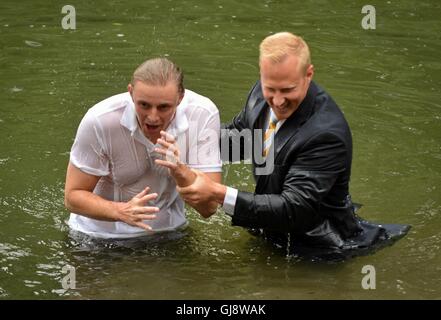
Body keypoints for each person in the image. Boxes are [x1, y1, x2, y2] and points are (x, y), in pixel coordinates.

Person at [169, 32, 410, 257]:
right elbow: (240, 142)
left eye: (287, 90)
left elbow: (294, 207)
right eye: (270, 88)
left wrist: (218, 193)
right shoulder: (259, 96)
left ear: (309, 74)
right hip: (270, 233)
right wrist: (179, 142)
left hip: (317, 251)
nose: (278, 101)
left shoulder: (326, 135)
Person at [64, 57, 222, 239]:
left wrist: (180, 170)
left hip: (170, 234)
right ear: (131, 93)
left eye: (163, 107)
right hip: (98, 237)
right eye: (144, 105)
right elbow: (72, 197)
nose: (152, 117)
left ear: (180, 98)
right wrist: (121, 211)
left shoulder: (202, 114)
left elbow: (209, 209)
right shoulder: (100, 120)